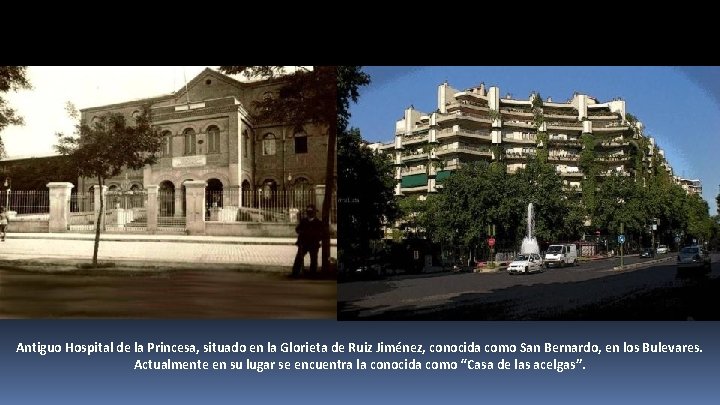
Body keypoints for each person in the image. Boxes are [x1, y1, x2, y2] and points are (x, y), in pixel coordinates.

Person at [292, 204, 324, 277]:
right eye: (308, 212)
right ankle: (295, 273)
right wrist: (301, 232)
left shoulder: (318, 222)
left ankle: (312, 274)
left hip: (313, 244)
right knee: (299, 258)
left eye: (311, 212)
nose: (310, 214)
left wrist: (317, 238)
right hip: (304, 243)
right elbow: (297, 229)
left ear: (314, 213)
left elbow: (321, 233)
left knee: (313, 259)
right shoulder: (303, 221)